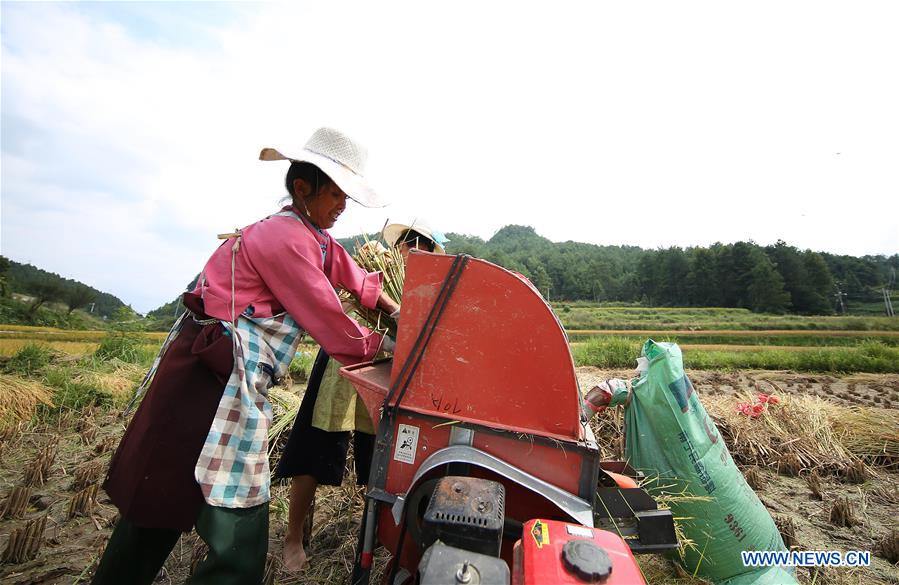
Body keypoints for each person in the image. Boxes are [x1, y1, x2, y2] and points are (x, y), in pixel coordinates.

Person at [91, 127, 400, 585]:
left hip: (228, 375)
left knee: (172, 490)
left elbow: (354, 277)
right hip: (209, 376)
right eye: (335, 194)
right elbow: (328, 319)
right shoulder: (284, 237)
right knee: (177, 498)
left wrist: (396, 311)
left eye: (346, 197)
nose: (342, 206)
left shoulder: (314, 236)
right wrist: (392, 348)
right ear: (302, 188)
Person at [276, 220, 447, 573]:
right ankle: (293, 537)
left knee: (381, 458)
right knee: (315, 446)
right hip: (344, 357)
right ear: (399, 246)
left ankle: (375, 536)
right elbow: (343, 292)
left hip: (386, 369)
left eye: (424, 245)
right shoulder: (375, 264)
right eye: (410, 241)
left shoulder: (424, 290)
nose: (415, 249)